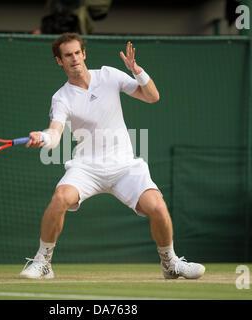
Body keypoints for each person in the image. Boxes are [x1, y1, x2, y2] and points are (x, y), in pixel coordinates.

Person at [19, 32, 205, 280]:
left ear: (84, 54)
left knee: (157, 206)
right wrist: (42, 137)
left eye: (77, 53)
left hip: (125, 166)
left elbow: (152, 96)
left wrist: (137, 71)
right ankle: (43, 262)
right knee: (60, 198)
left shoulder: (109, 75)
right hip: (87, 167)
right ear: (59, 61)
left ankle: (170, 263)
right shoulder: (61, 97)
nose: (74, 58)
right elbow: (55, 133)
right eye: (67, 55)